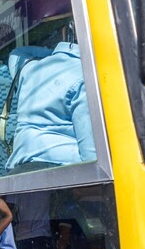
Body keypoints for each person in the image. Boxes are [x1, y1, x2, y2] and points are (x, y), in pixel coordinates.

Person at [6, 19, 96, 172]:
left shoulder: (29, 69)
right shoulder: (85, 77)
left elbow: (17, 53)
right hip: (59, 175)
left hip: (18, 173)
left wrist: (58, 52)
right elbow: (92, 158)